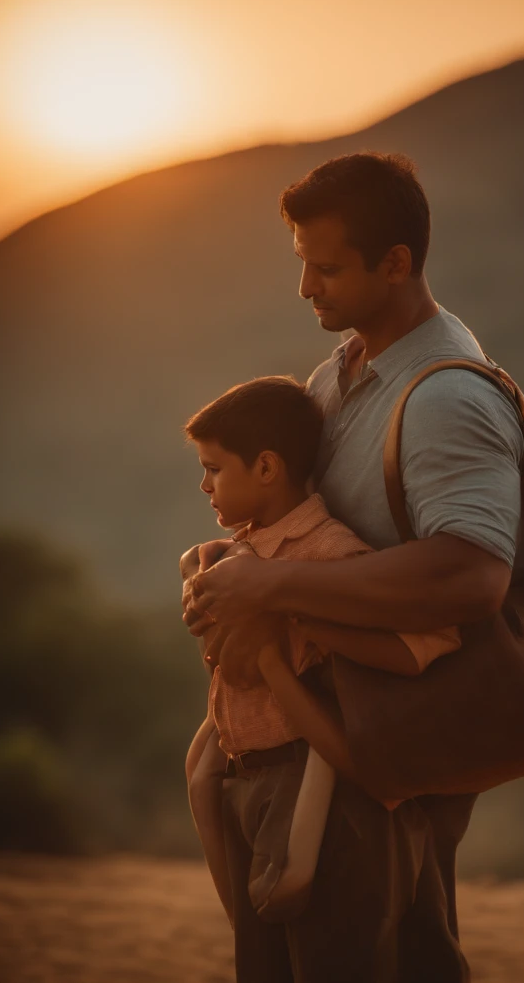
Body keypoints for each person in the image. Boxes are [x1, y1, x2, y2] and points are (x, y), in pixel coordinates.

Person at [184, 153, 524, 983]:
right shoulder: (343, 373)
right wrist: (231, 573)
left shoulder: (450, 395)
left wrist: (275, 591)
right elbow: (304, 522)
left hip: (381, 744)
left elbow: (474, 573)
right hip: (321, 732)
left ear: (397, 262)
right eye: (301, 262)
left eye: (325, 269)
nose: (305, 288)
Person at [181, 375, 460, 930]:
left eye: (214, 469)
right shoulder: (243, 551)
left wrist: (284, 621)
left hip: (312, 788)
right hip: (246, 779)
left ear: (266, 468)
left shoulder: (329, 554)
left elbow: (426, 641)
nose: (205, 485)